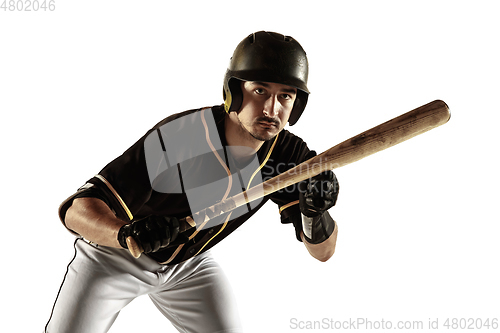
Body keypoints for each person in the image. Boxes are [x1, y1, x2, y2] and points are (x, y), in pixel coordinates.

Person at [45, 31, 340, 333]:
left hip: (189, 265)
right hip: (116, 256)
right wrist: (126, 233)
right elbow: (77, 209)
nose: (271, 109)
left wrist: (314, 214)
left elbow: (323, 253)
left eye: (285, 96)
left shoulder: (289, 155)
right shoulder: (181, 136)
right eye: (260, 91)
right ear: (234, 91)